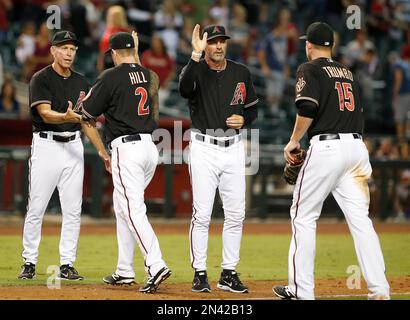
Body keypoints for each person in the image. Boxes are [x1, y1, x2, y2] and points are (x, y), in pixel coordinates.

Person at [272, 22, 390, 300]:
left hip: (328, 148)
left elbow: (308, 107)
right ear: (332, 46)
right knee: (361, 221)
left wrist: (293, 141)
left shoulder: (309, 68)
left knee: (303, 216)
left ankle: (301, 291)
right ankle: (379, 290)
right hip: (356, 149)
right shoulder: (348, 73)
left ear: (308, 45)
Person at [80, 32, 171, 294]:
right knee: (123, 208)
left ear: (114, 54)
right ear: (135, 50)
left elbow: (87, 114)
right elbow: (136, 76)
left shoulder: (110, 76)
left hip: (127, 148)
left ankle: (156, 264)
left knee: (132, 209)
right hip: (150, 149)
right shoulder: (149, 75)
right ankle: (124, 270)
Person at [179, 24, 258, 293]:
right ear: (206, 44)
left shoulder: (241, 72)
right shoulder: (196, 69)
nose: (218, 46)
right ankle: (199, 272)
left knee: (236, 214)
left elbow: (253, 109)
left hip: (234, 147)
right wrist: (194, 55)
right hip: (204, 146)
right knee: (202, 214)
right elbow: (183, 88)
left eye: (222, 41)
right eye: (213, 42)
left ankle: (228, 272)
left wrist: (244, 119)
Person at [18, 31, 89, 281]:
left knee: (73, 210)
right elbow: (46, 114)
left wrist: (102, 152)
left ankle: (67, 264)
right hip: (47, 144)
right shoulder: (41, 78)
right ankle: (29, 261)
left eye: (73, 49)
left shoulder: (82, 81)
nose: (69, 53)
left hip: (74, 146)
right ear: (53, 51)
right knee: (36, 206)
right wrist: (67, 117)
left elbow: (88, 119)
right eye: (64, 48)